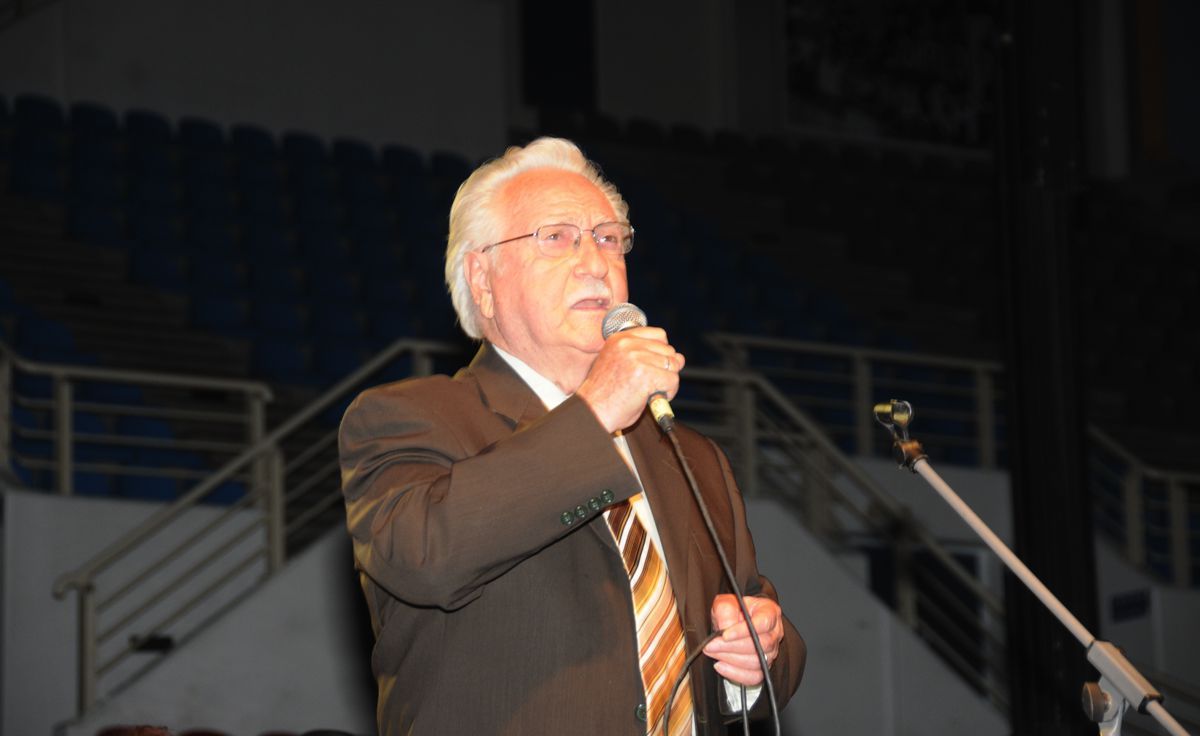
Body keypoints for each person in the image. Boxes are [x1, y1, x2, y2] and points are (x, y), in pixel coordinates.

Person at [339, 137, 805, 735]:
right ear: (482, 279)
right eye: (556, 237)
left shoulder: (691, 456)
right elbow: (424, 557)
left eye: (608, 238)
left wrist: (755, 658)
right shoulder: (407, 417)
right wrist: (596, 410)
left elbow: (761, 625)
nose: (595, 262)